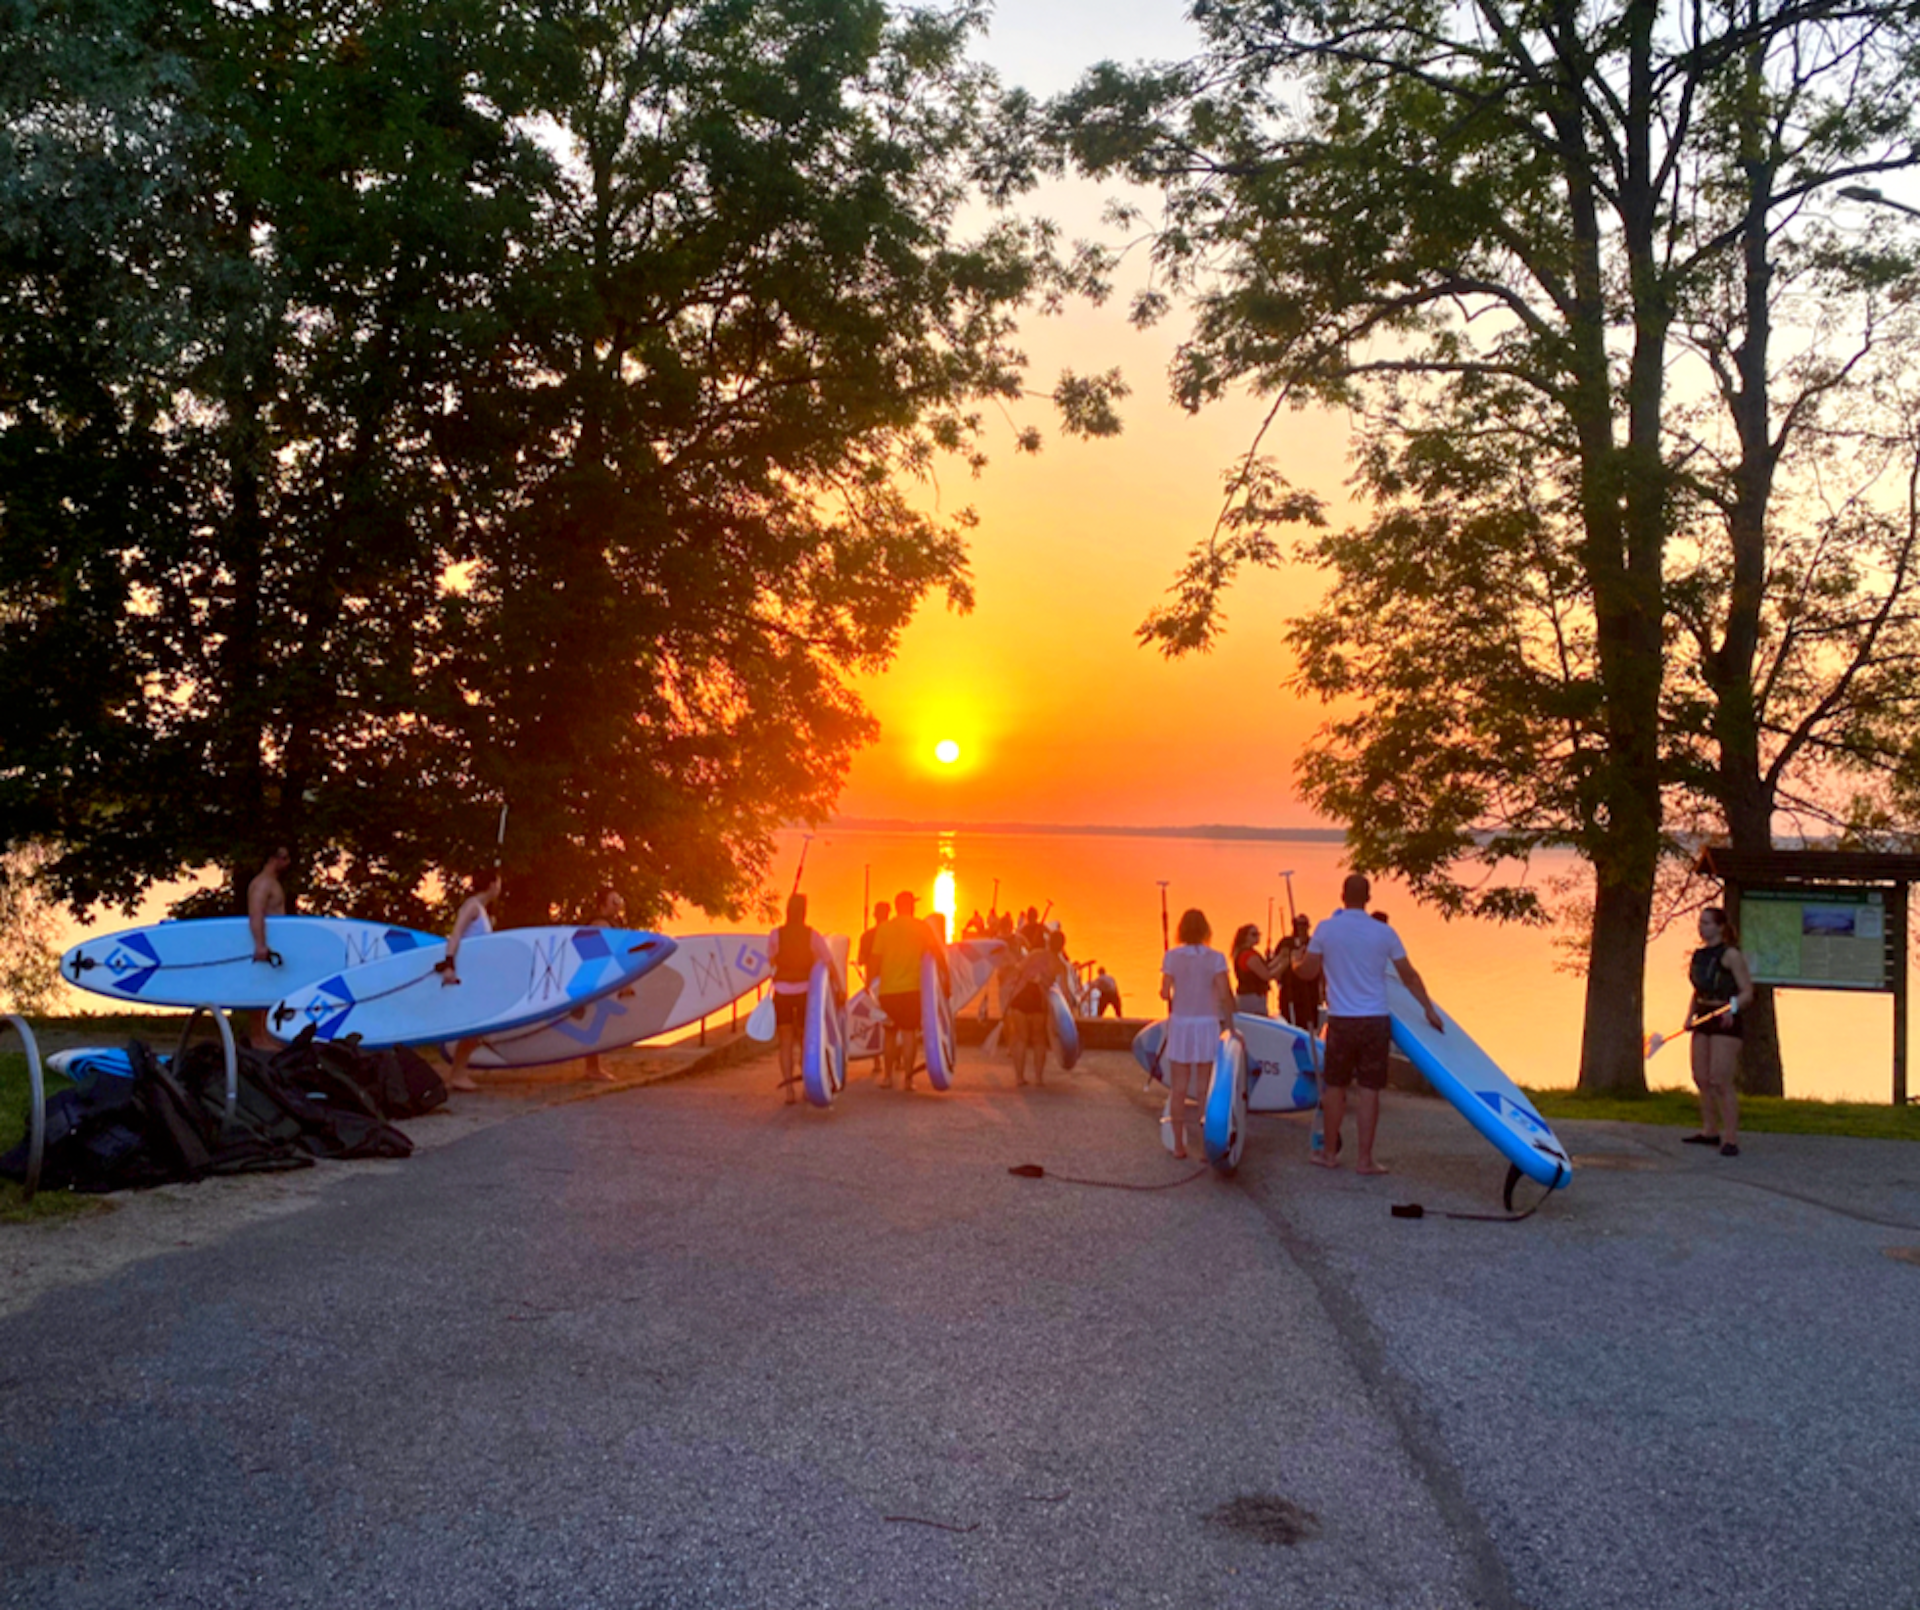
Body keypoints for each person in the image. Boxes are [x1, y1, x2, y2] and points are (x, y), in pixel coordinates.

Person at [1291, 874, 1443, 1176]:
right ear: (1368, 897)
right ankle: (1364, 1160)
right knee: (1370, 1089)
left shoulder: (1326, 929)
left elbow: (1307, 973)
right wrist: (1428, 1009)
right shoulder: (1384, 932)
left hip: (1341, 1021)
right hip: (1375, 1020)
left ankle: (1330, 1153)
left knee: (1334, 1086)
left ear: (1341, 895)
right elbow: (1408, 975)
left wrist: (1296, 959)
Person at [1159, 908, 1234, 1159]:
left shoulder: (1172, 956)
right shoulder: (1216, 958)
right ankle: (1205, 1147)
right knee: (1204, 1089)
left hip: (1181, 1024)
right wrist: (1231, 1026)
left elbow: (1163, 992)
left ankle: (1179, 1146)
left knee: (1179, 1088)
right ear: (1205, 930)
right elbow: (1225, 994)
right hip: (1206, 1024)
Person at [1683, 905, 1754, 1157]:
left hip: (1726, 1019)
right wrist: (1689, 1016)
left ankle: (1731, 1138)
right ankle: (1710, 1130)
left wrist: (1731, 1008)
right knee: (1701, 1077)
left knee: (1720, 1079)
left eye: (1708, 923)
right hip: (1703, 1015)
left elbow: (1747, 991)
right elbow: (1698, 990)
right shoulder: (1699, 956)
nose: (1702, 928)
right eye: (1700, 923)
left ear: (1720, 927)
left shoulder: (1731, 955)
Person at [867, 890, 944, 1090]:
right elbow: (935, 953)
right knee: (909, 1034)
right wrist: (945, 979)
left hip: (888, 991)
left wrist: (869, 986)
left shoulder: (884, 928)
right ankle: (908, 1080)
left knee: (890, 1034)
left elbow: (875, 960)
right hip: (912, 990)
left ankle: (887, 1077)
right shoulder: (921, 927)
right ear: (912, 906)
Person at [767, 892, 837, 1105]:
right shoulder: (812, 935)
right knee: (807, 1040)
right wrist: (839, 988)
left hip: (782, 992)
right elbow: (828, 961)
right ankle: (808, 1085)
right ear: (804, 912)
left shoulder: (776, 934)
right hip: (805, 993)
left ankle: (789, 1089)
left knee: (785, 1041)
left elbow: (771, 960)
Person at [439, 870, 502, 1093]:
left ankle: (458, 1073)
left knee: (477, 1027)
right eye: (498, 882)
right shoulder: (472, 906)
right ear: (492, 884)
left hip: (478, 977)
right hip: (465, 976)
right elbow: (455, 934)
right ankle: (457, 1075)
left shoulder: (482, 911)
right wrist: (448, 965)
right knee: (474, 1026)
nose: (500, 887)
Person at [245, 845, 292, 1050]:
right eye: (286, 857)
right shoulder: (263, 884)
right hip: (265, 946)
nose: (288, 862)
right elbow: (256, 914)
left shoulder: (272, 883)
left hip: (275, 945)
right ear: (275, 858)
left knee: (271, 990)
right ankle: (260, 1039)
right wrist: (260, 945)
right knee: (262, 990)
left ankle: (267, 1037)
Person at [1005, 930, 1065, 1086]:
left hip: (1021, 995)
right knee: (1039, 1040)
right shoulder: (1059, 966)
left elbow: (1018, 969)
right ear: (1061, 947)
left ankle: (1019, 1078)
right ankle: (1038, 1078)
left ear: (1048, 942)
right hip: (1038, 999)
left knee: (1020, 1038)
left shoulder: (1035, 953)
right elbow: (1063, 994)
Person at [582, 886, 626, 1083]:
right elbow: (596, 955)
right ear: (602, 906)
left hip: (602, 981)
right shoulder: (599, 924)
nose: (617, 905)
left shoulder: (612, 923)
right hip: (596, 982)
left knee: (599, 1022)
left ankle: (594, 1068)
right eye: (612, 902)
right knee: (595, 1021)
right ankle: (592, 1069)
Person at [1276, 914, 1322, 1031]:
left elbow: (1320, 967)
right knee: (1289, 1026)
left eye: (1304, 925)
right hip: (1290, 992)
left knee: (1310, 1026)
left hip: (1310, 992)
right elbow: (1278, 963)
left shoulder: (1313, 943)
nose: (1301, 928)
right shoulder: (1286, 943)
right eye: (1298, 925)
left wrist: (1322, 991)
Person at [1230, 922, 1284, 1017]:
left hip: (1248, 998)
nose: (1257, 936)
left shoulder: (1243, 953)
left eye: (1258, 934)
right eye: (1253, 934)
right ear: (1245, 937)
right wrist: (1284, 964)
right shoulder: (1248, 956)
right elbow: (1266, 975)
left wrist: (1280, 957)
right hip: (1253, 999)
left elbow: (1266, 968)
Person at [857, 901, 890, 988]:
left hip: (872, 982)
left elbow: (860, 960)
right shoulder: (895, 934)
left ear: (874, 915)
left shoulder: (866, 936)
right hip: (893, 980)